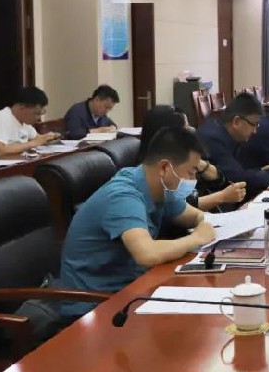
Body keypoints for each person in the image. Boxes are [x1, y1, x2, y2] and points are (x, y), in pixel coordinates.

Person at [54, 127, 220, 322]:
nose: (193, 181)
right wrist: (196, 238)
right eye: (191, 173)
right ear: (165, 167)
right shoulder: (123, 196)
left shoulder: (159, 187)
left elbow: (195, 216)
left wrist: (210, 223)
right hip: (94, 305)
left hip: (131, 288)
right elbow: (147, 254)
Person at [196, 93, 269, 198]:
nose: (255, 131)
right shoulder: (213, 139)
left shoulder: (228, 132)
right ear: (236, 121)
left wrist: (261, 170)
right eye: (254, 124)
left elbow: (240, 172)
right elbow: (239, 180)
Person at [138, 105, 246, 210]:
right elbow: (180, 206)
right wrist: (222, 196)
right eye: (186, 129)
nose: (191, 131)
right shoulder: (154, 171)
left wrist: (198, 164)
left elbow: (220, 182)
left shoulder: (183, 157)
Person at [0, 86, 59, 158]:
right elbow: (0, 151)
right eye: (37, 113)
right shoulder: (2, 117)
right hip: (1, 164)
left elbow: (37, 138)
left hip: (21, 161)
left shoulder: (24, 121)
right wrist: (33, 143)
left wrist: (49, 137)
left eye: (41, 113)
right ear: (22, 107)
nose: (39, 118)